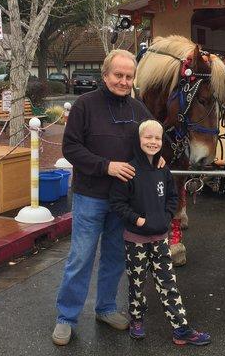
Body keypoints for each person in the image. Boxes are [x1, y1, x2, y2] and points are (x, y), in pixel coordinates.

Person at [52, 49, 156, 346]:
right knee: (81, 257)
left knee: (114, 256)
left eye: (128, 76)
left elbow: (155, 139)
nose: (123, 81)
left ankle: (106, 308)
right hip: (90, 196)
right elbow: (70, 148)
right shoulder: (85, 105)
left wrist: (159, 156)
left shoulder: (138, 109)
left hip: (123, 202)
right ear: (105, 75)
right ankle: (66, 317)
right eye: (118, 75)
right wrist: (106, 166)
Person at [109, 119, 211, 346]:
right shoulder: (128, 169)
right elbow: (117, 203)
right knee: (137, 283)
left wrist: (166, 217)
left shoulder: (163, 169)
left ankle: (181, 329)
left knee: (168, 283)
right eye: (148, 137)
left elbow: (173, 197)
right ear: (139, 139)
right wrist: (138, 219)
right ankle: (136, 320)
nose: (153, 142)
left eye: (157, 138)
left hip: (160, 239)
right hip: (135, 239)